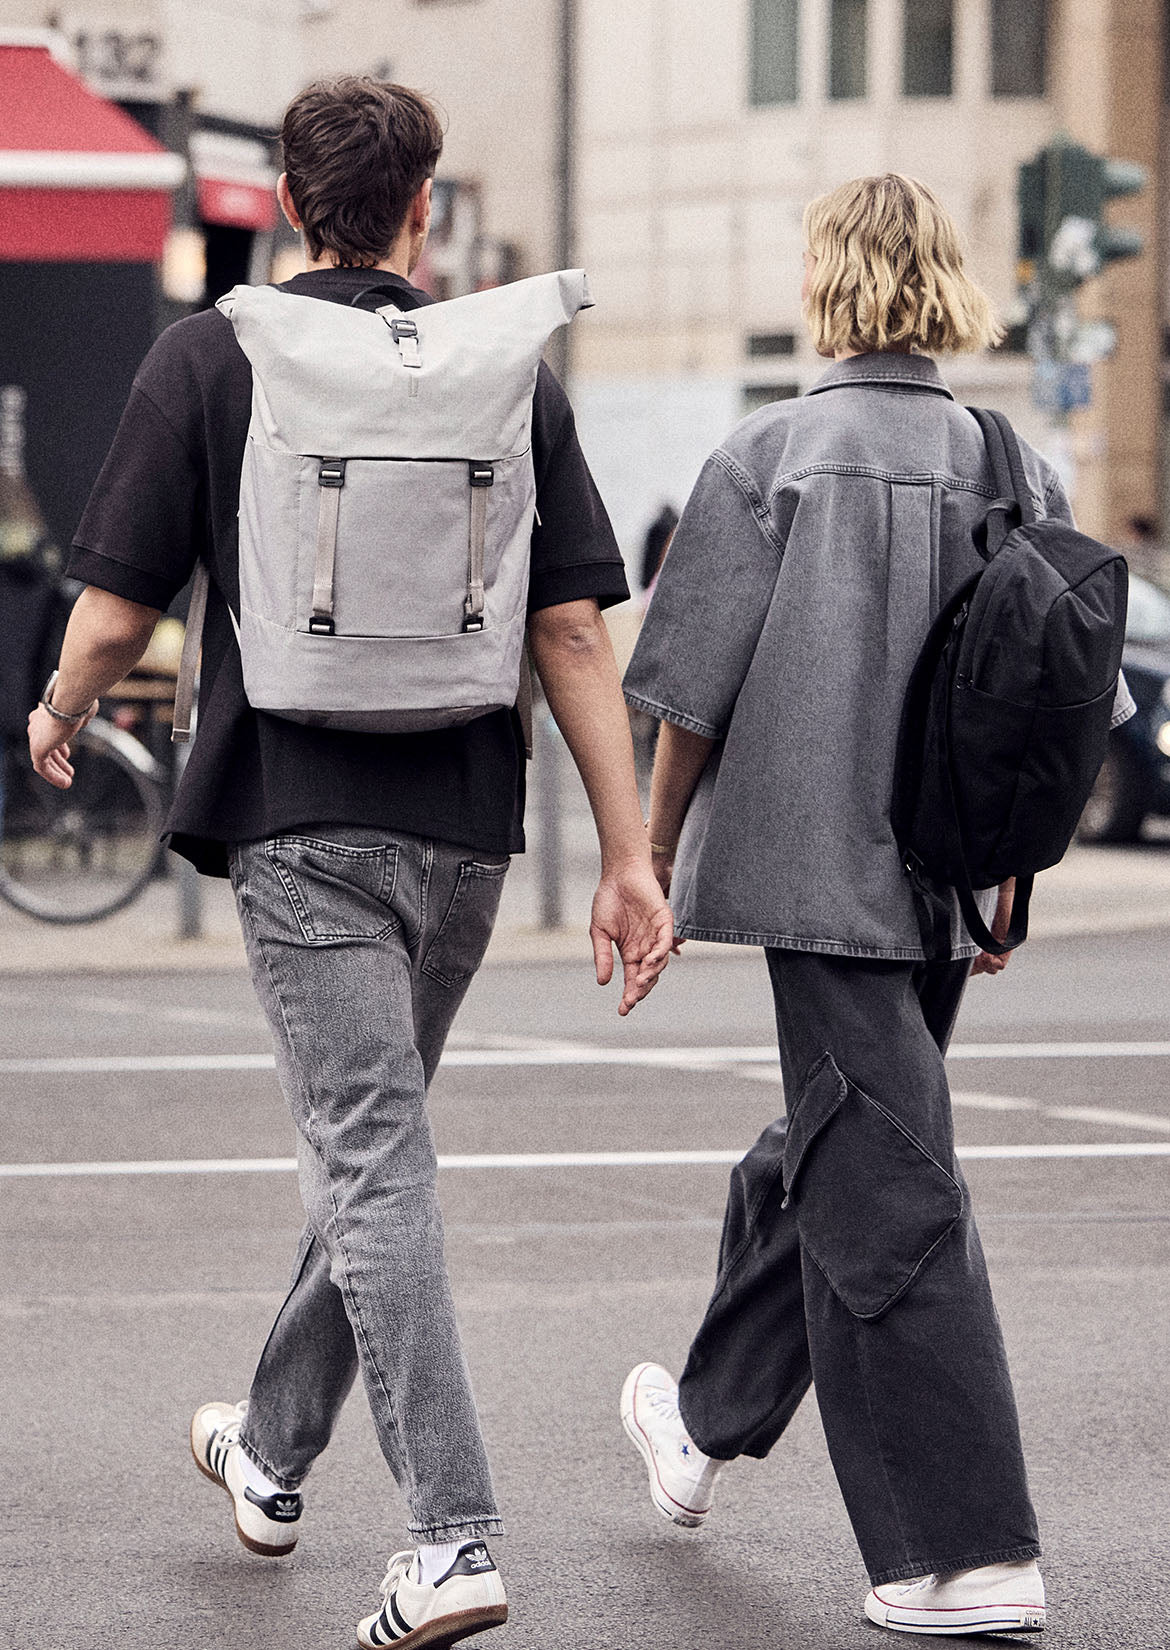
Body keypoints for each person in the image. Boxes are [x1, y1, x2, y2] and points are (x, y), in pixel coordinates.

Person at [27, 76, 671, 1650]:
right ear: (421, 211)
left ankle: (452, 1537)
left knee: (368, 1158)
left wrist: (59, 709)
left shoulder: (212, 353)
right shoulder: (505, 373)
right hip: (463, 826)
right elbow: (573, 633)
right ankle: (270, 1445)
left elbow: (115, 609)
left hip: (298, 821)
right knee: (369, 1146)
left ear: (286, 206)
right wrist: (629, 853)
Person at [620, 174, 1133, 1638]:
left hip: (812, 876)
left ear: (827, 281)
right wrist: (1010, 880)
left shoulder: (766, 458)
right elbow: (1056, 701)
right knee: (845, 1151)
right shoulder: (1010, 462)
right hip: (947, 883)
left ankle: (964, 1556)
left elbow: (686, 698)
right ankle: (703, 1421)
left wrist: (648, 859)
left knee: (884, 1189)